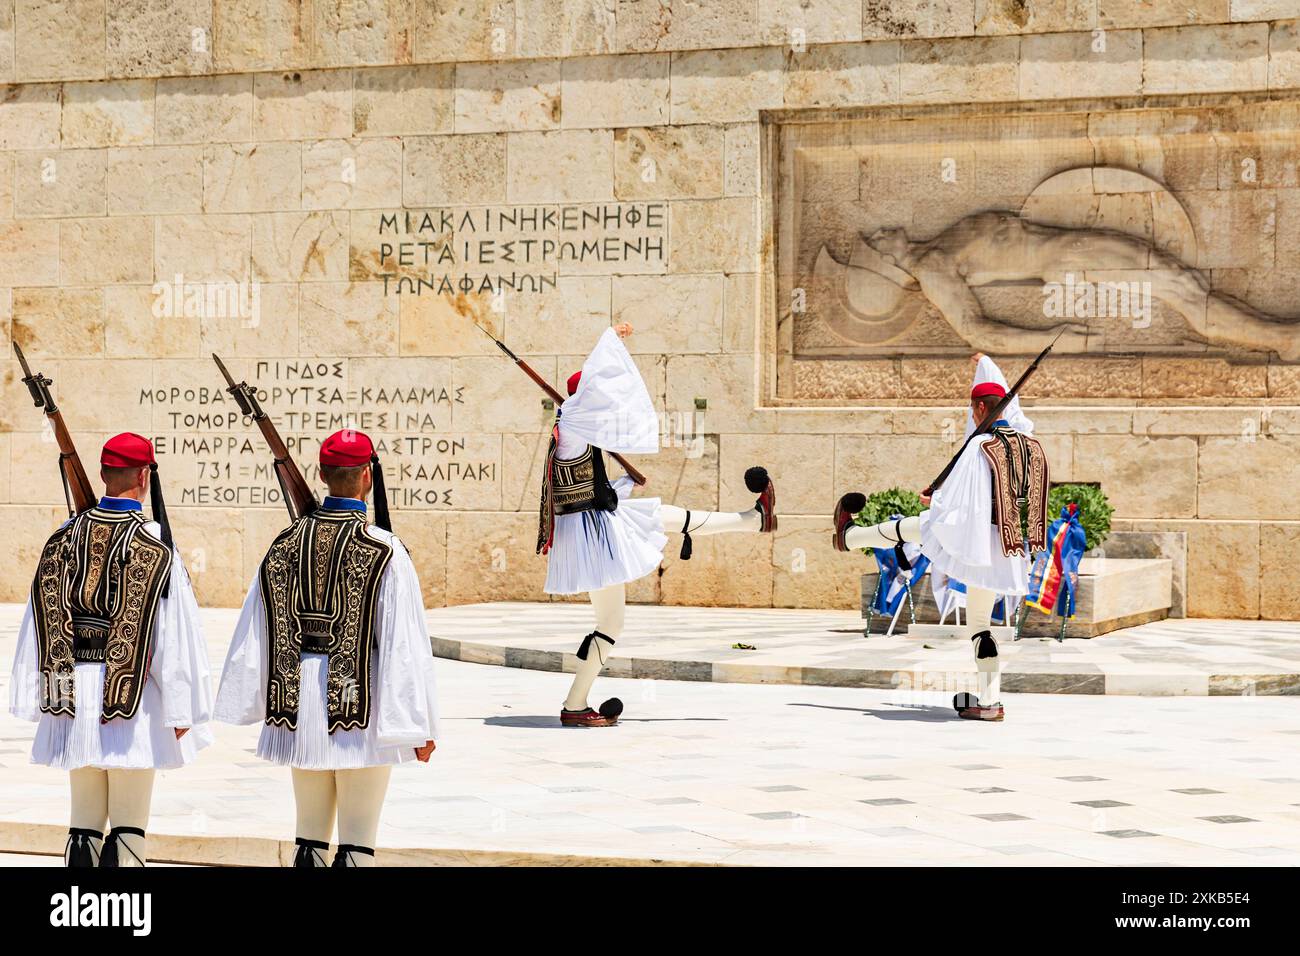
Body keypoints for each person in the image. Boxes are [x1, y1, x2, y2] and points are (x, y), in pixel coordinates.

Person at [215, 430, 439, 867]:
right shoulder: (385, 550)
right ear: (367, 478)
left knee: (309, 843)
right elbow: (403, 644)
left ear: (321, 474)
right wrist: (417, 722)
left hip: (298, 706)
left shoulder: (283, 544)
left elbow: (255, 627)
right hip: (362, 707)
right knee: (357, 845)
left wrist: (256, 700)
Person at [541, 323, 777, 727]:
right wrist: (611, 337)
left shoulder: (573, 427)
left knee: (659, 516)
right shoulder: (577, 419)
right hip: (592, 535)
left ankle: (751, 520)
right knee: (611, 622)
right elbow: (597, 379)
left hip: (592, 524)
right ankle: (575, 705)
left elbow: (580, 483)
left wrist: (619, 484)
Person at [10, 433, 212, 866]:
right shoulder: (157, 547)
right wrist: (181, 710)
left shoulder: (61, 539)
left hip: (72, 699)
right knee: (127, 827)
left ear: (103, 474)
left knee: (82, 825)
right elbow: (173, 636)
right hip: (132, 702)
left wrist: (39, 699)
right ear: (144, 477)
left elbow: (37, 624)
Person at [832, 354, 1049, 721]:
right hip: (1008, 550)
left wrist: (936, 498)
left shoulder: (979, 448)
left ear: (980, 408)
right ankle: (990, 702)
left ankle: (851, 536)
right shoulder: (1030, 446)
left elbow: (963, 507)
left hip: (977, 541)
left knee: (923, 526)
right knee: (981, 625)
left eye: (972, 410)